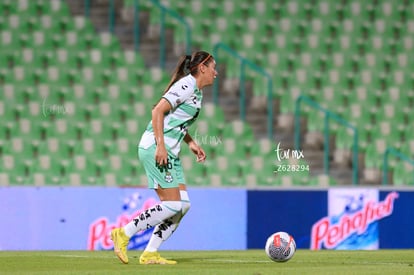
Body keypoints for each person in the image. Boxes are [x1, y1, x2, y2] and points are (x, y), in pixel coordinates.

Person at [111, 51, 218, 265]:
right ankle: (123, 233)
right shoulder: (186, 86)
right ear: (203, 68)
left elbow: (175, 120)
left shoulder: (197, 92)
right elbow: (157, 111)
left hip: (171, 152)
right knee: (172, 205)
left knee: (183, 205)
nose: (216, 72)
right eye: (214, 67)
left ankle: (150, 253)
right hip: (156, 148)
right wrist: (160, 145)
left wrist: (191, 143)